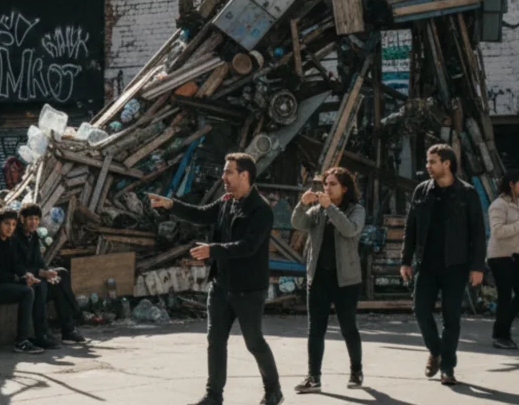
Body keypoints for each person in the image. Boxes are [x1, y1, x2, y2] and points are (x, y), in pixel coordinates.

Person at [149, 152, 283, 405]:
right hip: (221, 286)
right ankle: (213, 396)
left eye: (228, 172)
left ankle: (273, 390)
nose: (223, 177)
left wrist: (213, 250)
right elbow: (200, 214)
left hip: (248, 289)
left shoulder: (261, 210)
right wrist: (171, 205)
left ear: (244, 175)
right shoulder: (226, 202)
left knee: (254, 342)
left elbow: (249, 246)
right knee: (215, 341)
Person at [400, 144, 486, 386]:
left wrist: (478, 266)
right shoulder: (421, 191)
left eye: (432, 161)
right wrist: (405, 260)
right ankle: (436, 351)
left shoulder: (467, 193)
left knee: (451, 317)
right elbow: (411, 227)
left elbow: (478, 232)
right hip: (426, 264)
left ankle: (447, 367)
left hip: (456, 265)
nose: (428, 166)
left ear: (447, 163)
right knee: (420, 309)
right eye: (428, 162)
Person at [291, 167, 366, 394]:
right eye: (325, 184)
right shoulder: (318, 211)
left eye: (332, 184)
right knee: (316, 329)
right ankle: (314, 377)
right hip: (319, 277)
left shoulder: (356, 210)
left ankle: (356, 370)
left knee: (348, 326)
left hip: (346, 279)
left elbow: (350, 229)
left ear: (344, 188)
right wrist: (302, 204)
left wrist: (329, 207)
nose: (327, 188)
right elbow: (298, 223)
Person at [0, 209, 46, 354]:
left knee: (36, 286)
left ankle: (40, 335)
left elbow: (16, 264)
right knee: (27, 292)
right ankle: (21, 341)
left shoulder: (9, 240)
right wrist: (20, 280)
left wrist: (26, 275)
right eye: (6, 224)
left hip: (0, 284)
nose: (10, 228)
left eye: (13, 224)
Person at [13, 203, 86, 345]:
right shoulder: (15, 238)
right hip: (22, 279)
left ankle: (68, 331)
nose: (33, 222)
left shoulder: (33, 236)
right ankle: (42, 334)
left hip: (36, 274)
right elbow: (17, 266)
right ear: (22, 219)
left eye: (36, 219)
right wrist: (41, 273)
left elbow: (39, 262)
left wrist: (48, 272)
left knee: (61, 275)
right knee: (41, 286)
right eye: (30, 219)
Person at [488, 171, 519, 350]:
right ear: (511, 184)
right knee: (505, 296)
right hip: (500, 256)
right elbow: (497, 231)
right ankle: (501, 335)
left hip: (516, 256)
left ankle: (500, 330)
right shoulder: (498, 205)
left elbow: (516, 230)